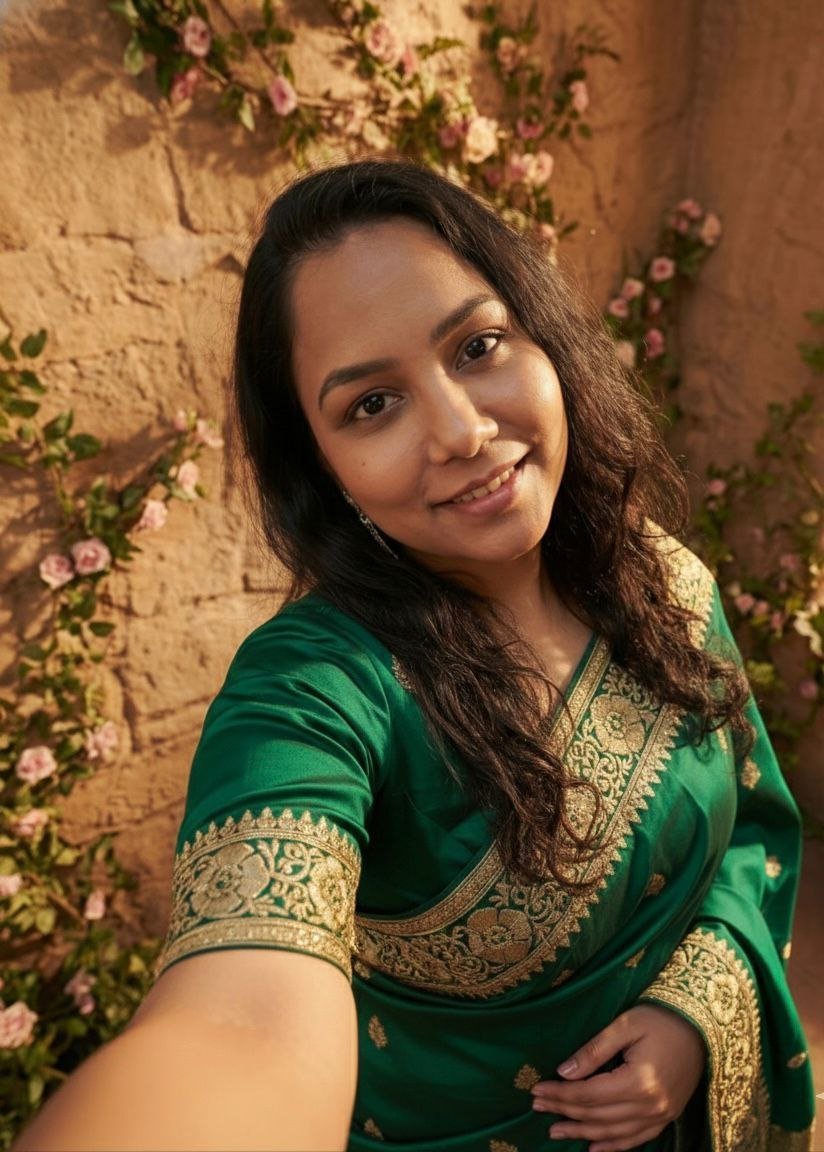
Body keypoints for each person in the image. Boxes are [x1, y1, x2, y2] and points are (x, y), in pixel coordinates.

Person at [16, 159, 815, 1152]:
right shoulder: (314, 693)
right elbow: (244, 1029)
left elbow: (750, 827)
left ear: (543, 339)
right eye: (371, 405)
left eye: (477, 347)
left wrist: (690, 1015)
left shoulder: (658, 581)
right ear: (322, 468)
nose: (462, 431)